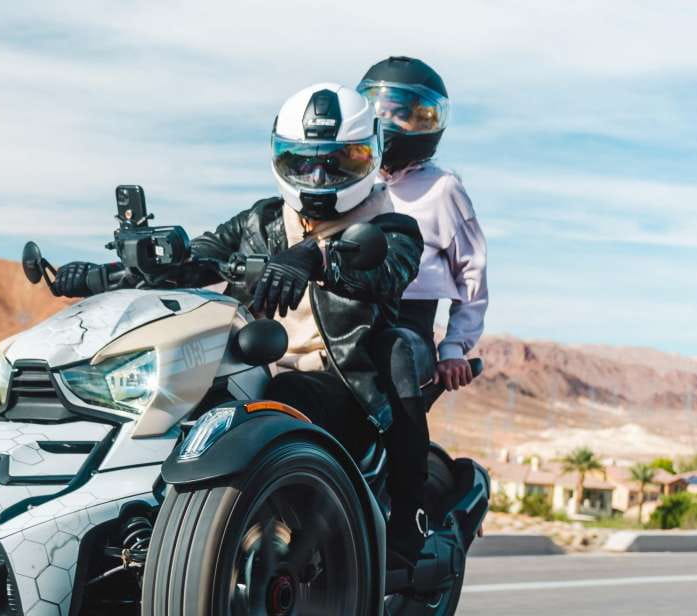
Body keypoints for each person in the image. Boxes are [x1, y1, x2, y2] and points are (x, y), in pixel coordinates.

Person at [51, 83, 430, 566]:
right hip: (241, 367)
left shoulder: (394, 229)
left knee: (285, 402)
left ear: (369, 156)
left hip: (338, 384)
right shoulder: (263, 220)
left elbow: (382, 271)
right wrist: (108, 274)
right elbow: (198, 260)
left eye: (338, 161)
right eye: (302, 161)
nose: (317, 175)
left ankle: (409, 525)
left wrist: (314, 259)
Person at [357, 56, 489, 391]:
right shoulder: (350, 180)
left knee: (394, 361)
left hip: (407, 328)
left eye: (401, 114)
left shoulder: (443, 189)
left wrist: (454, 346)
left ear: (425, 121)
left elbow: (472, 273)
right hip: (344, 320)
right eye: (379, 110)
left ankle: (408, 446)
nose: (387, 121)